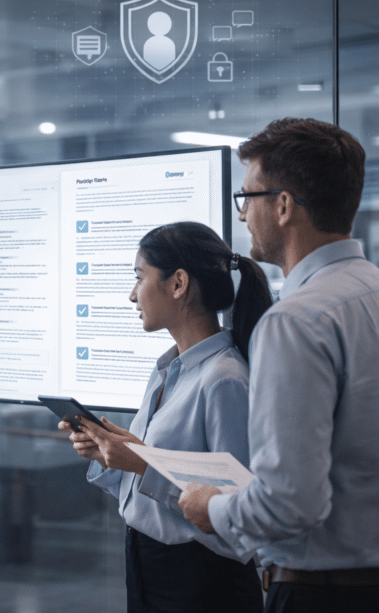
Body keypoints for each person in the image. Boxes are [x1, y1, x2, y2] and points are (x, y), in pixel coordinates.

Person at [179, 118, 379, 613]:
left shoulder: (297, 321)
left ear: (282, 206)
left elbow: (288, 503)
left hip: (327, 597)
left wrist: (211, 508)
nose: (242, 217)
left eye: (247, 199)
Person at [60, 221, 273, 613]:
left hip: (202, 581)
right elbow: (157, 481)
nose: (131, 295)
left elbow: (238, 505)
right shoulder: (167, 371)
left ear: (178, 284)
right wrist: (111, 452)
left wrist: (143, 463)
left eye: (139, 278)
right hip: (147, 563)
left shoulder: (225, 380)